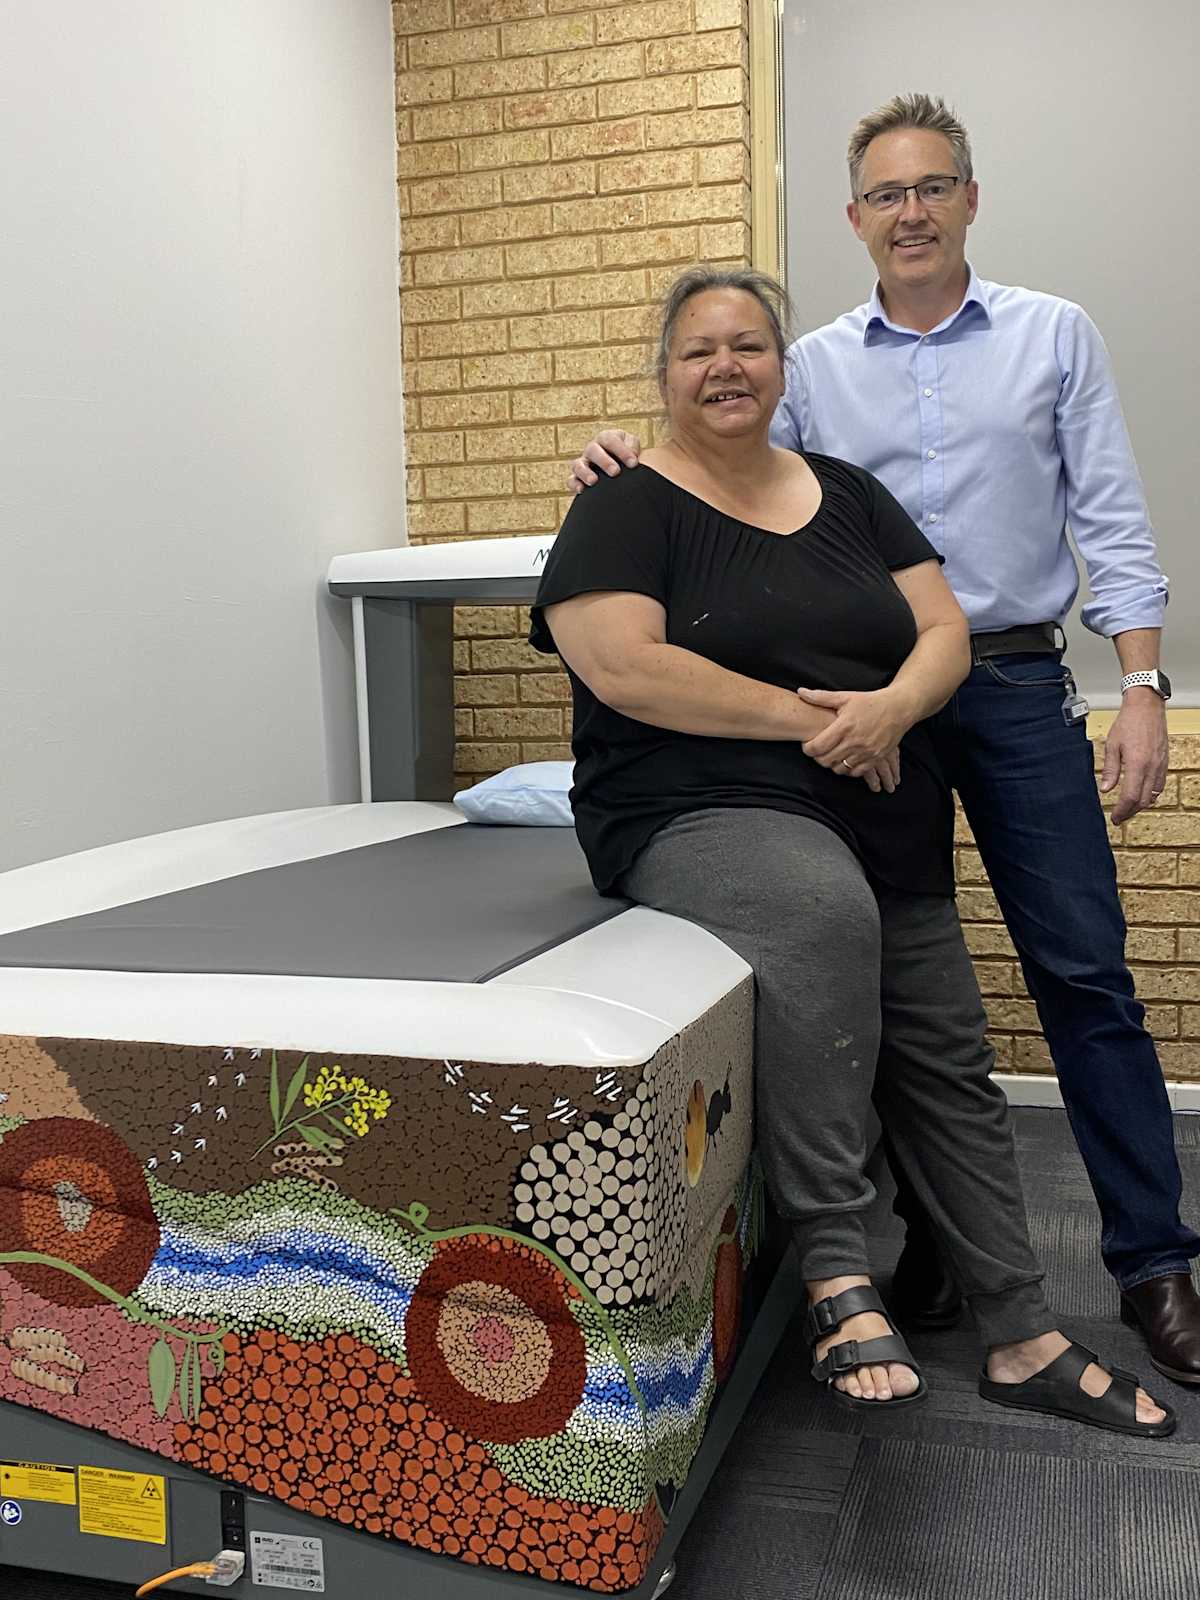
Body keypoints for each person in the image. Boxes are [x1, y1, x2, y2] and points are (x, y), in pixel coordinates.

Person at [567, 93, 1200, 1387]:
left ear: (970, 197)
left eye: (934, 188)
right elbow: (743, 489)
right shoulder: (815, 368)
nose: (911, 213)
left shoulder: (1052, 336)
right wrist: (622, 467)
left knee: (1082, 973)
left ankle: (1154, 1265)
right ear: (856, 218)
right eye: (886, 195)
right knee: (885, 964)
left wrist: (1142, 688)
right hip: (856, 713)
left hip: (1013, 681)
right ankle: (924, 1246)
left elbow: (1116, 519)